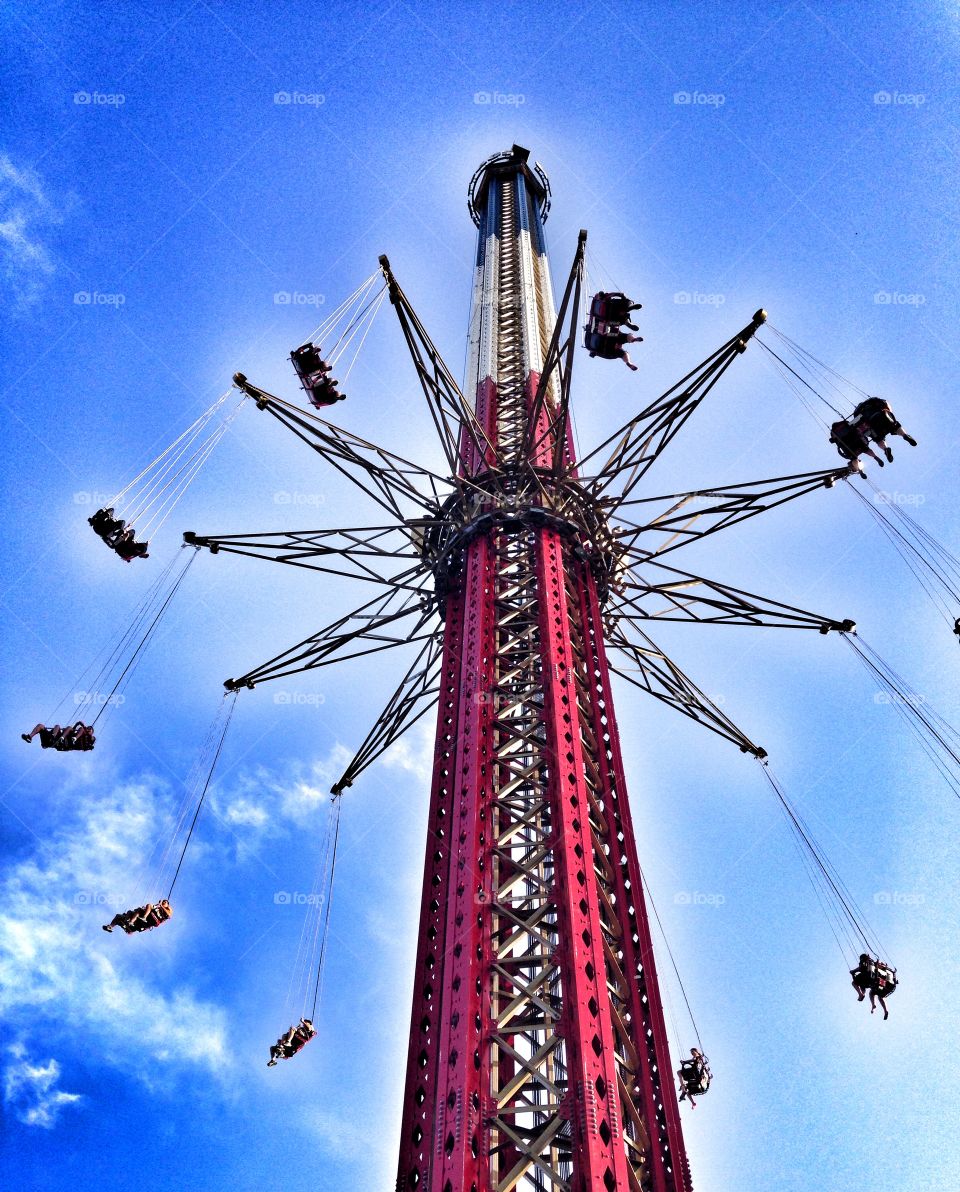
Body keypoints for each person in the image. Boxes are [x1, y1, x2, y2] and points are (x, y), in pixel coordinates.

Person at [852, 397, 917, 461]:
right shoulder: (871, 400)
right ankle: (905, 435)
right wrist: (889, 412)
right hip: (882, 417)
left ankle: (885, 449)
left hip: (872, 426)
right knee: (895, 425)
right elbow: (885, 403)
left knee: (878, 439)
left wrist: (870, 435)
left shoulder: (856, 413)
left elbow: (857, 426)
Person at [103, 900, 173, 934]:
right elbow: (150, 908)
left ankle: (133, 921)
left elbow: (169, 915)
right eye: (163, 901)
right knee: (119, 916)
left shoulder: (168, 909)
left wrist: (161, 906)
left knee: (145, 907)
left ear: (167, 904)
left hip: (153, 920)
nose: (163, 902)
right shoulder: (157, 907)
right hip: (138, 923)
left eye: (165, 902)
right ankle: (111, 926)